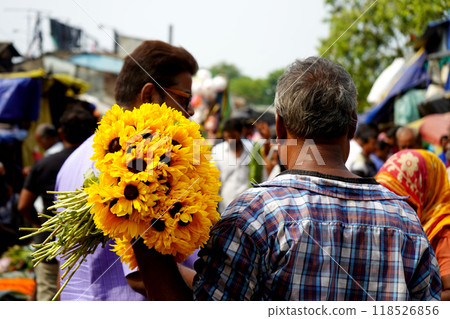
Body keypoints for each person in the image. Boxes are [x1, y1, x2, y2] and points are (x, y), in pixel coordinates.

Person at [132, 57, 441, 301]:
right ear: (352, 127)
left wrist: (147, 242)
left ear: (279, 128)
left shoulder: (253, 215)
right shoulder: (406, 221)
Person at [54, 40, 199, 301]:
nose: (190, 111)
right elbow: (142, 276)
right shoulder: (140, 161)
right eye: (184, 99)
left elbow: (62, 268)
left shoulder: (75, 158)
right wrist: (216, 283)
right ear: (149, 96)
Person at [18, 108, 97, 300]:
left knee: (48, 298)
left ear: (61, 133)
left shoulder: (45, 163)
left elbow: (23, 205)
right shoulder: (100, 164)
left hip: (50, 242)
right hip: (85, 249)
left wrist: (39, 224)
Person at [375, 149, 450, 300]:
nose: (393, 207)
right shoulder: (394, 226)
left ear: (425, 191)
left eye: (402, 199)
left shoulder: (443, 231)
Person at [211, 118, 252, 214]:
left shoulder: (252, 148)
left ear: (241, 133)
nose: (230, 140)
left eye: (233, 136)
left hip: (248, 205)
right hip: (225, 205)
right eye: (228, 136)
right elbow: (213, 180)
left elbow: (260, 176)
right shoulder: (217, 151)